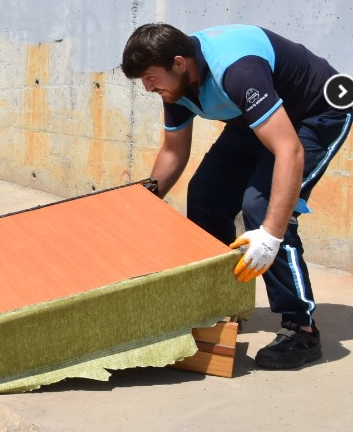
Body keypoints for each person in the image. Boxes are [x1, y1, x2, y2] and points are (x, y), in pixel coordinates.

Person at [121, 23, 350, 369]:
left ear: (179, 63)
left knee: (265, 209)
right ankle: (223, 304)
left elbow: (289, 150)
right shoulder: (174, 86)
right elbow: (173, 152)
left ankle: (301, 329)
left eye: (150, 77)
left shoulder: (238, 71)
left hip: (315, 114)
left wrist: (270, 236)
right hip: (256, 118)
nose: (147, 87)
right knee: (204, 195)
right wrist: (141, 203)